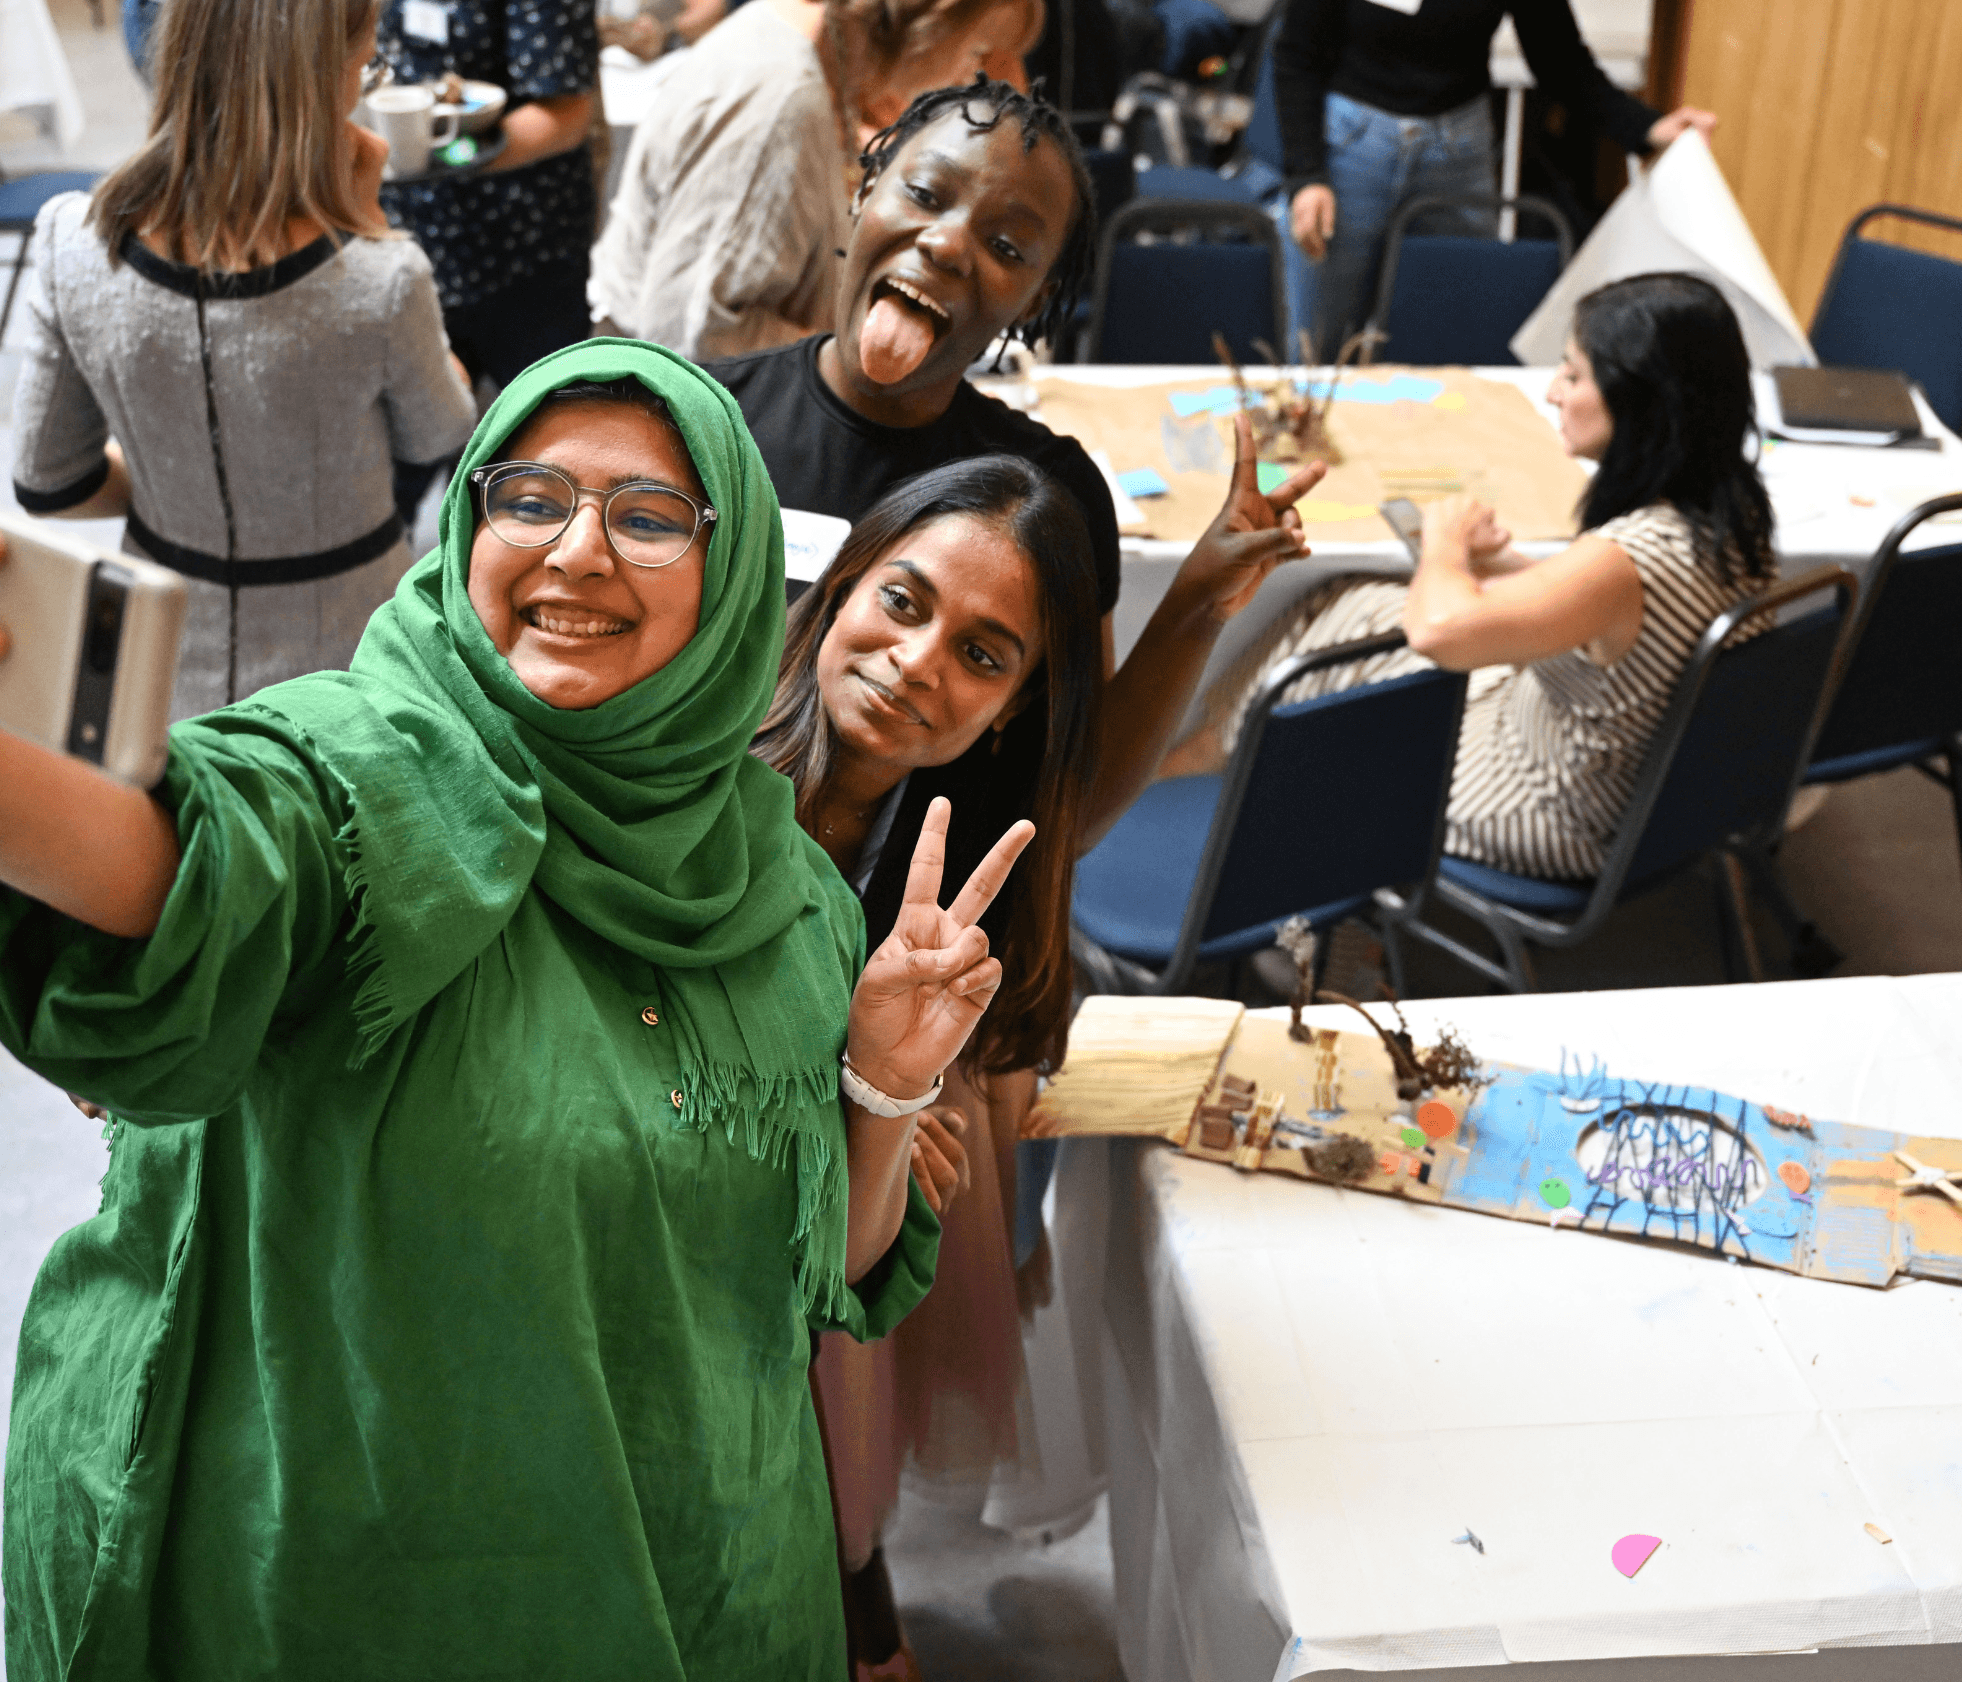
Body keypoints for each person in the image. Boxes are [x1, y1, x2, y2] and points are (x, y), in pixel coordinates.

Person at [0, 340, 1035, 1679]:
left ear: (732, 584)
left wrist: (886, 1082)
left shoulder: (785, 897)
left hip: (696, 1570)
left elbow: (820, 1279)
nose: (578, 550)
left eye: (651, 518)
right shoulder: (366, 777)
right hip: (327, 1594)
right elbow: (189, 858)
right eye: (528, 497)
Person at [706, 76, 1328, 846]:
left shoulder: (1048, 494)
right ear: (862, 192)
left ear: (1034, 300)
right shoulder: (706, 428)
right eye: (927, 194)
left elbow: (1070, 806)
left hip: (917, 927)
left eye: (1006, 247)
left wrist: (1196, 602)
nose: (946, 243)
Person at [754, 454, 1101, 1675]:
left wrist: (893, 1100)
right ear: (842, 586)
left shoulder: (955, 860)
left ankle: (854, 1589)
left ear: (1009, 706)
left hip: (822, 1238)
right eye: (903, 603)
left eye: (983, 654)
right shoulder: (697, 762)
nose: (919, 663)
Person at [1165, 273, 1779, 883]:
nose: (1554, 395)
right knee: (1344, 603)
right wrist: (1506, 567)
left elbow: (1438, 630)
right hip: (1635, 784)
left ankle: (1214, 810)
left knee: (1337, 682)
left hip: (1544, 801)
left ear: (1642, 399)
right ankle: (1219, 765)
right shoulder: (1733, 513)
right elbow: (1624, 613)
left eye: (1573, 374)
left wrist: (1446, 547)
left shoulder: (1625, 558)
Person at [9, 0, 477, 720]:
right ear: (326, 79)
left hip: (156, 655)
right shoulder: (379, 279)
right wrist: (371, 230)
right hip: (343, 665)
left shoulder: (73, 239)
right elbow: (442, 432)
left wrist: (180, 481)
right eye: (366, 64)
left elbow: (49, 483)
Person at [588, 0, 1041, 358]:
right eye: (977, 53)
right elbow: (691, 335)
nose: (973, 79)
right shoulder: (779, 97)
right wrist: (851, 352)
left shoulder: (828, 56)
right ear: (926, 20)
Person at [1271, 0, 1718, 355]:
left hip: (1459, 150)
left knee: (1450, 331)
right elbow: (1296, 54)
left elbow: (1560, 58)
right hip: (1352, 146)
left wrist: (1646, 129)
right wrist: (1307, 174)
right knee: (1320, 339)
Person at [375, 0, 600, 388]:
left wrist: (433, 157)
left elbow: (566, 112)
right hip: (410, 249)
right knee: (434, 437)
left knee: (541, 431)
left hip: (519, 252)